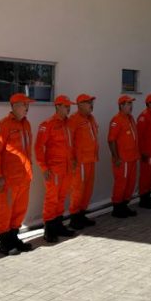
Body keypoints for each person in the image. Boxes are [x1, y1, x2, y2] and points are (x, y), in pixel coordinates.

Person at [0, 93, 35, 256]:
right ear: (15, 106)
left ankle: (14, 237)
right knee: (5, 210)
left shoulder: (26, 124)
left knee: (19, 209)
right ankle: (4, 243)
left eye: (28, 105)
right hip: (8, 179)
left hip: (23, 177)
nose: (27, 108)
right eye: (25, 104)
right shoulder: (4, 125)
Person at [35, 95, 76, 242]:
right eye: (66, 106)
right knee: (52, 199)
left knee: (62, 197)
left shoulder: (68, 124)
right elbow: (39, 147)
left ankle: (58, 225)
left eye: (69, 106)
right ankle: (49, 229)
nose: (68, 108)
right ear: (58, 106)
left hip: (67, 168)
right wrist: (44, 167)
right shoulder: (48, 124)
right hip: (54, 169)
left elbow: (70, 145)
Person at [68, 93, 99, 229]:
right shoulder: (74, 120)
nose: (91, 105)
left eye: (91, 102)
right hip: (80, 162)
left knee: (88, 189)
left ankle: (81, 215)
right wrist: (72, 159)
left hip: (91, 159)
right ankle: (74, 218)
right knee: (78, 190)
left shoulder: (91, 119)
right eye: (88, 102)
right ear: (80, 105)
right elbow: (69, 141)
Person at [108, 95, 140, 218]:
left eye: (131, 103)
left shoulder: (131, 118)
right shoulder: (116, 120)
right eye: (128, 104)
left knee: (130, 183)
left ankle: (124, 205)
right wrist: (116, 158)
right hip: (123, 159)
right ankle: (117, 208)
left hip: (132, 157)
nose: (131, 106)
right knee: (121, 183)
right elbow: (111, 140)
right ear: (121, 105)